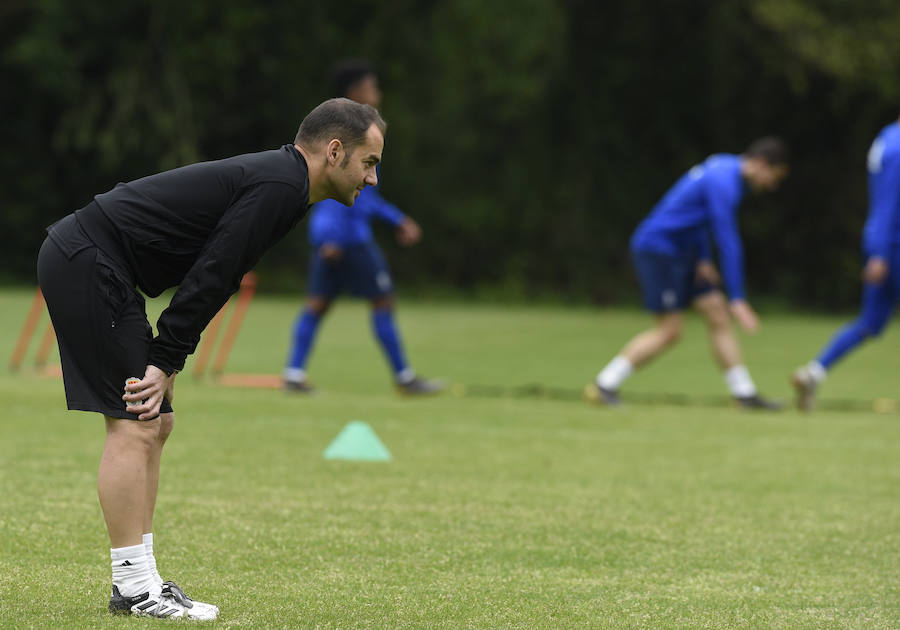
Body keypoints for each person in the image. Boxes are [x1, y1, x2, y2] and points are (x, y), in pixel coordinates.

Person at [36, 98, 386, 619]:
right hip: (87, 259)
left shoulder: (287, 188)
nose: (373, 179)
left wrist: (166, 359)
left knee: (157, 421)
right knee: (135, 421)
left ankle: (143, 580)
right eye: (370, 163)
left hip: (97, 261)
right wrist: (166, 356)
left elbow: (214, 269)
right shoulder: (280, 186)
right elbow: (216, 271)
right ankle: (133, 589)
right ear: (335, 152)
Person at [586, 137, 790, 409]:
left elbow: (698, 218)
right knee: (670, 330)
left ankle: (744, 394)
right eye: (772, 177)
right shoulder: (724, 182)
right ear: (761, 164)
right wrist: (738, 298)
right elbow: (727, 239)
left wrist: (703, 258)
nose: (771, 185)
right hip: (660, 248)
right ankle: (604, 385)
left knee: (717, 313)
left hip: (686, 252)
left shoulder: (726, 168)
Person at [283, 60, 443, 395]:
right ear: (356, 91)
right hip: (349, 240)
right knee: (382, 302)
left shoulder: (340, 127)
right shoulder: (352, 134)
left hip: (330, 238)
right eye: (372, 87)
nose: (377, 93)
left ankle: (294, 374)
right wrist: (396, 220)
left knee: (317, 304)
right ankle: (404, 378)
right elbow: (342, 189)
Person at [791, 117, 900, 411]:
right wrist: (880, 252)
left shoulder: (886, 136)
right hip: (892, 243)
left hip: (879, 239)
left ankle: (814, 372)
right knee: (870, 322)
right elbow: (891, 201)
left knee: (870, 323)